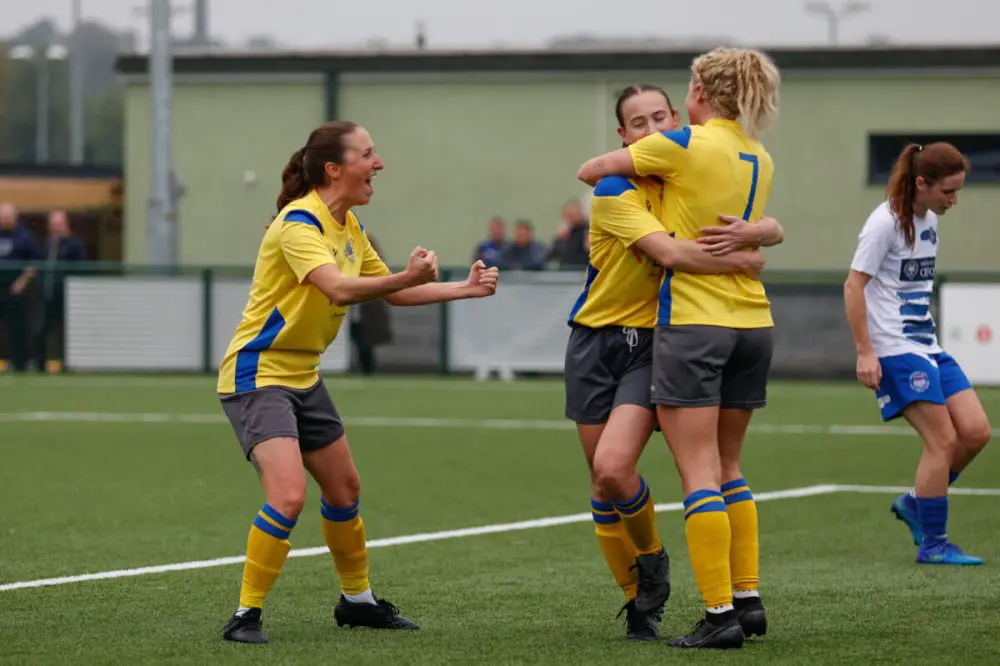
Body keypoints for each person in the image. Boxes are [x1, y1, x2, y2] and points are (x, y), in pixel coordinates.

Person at [216, 120, 500, 644]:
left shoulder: (348, 226)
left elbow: (388, 293)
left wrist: (464, 288)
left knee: (345, 490)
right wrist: (409, 276)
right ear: (334, 169)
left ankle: (357, 602)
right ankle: (245, 615)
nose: (379, 164)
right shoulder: (300, 222)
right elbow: (340, 289)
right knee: (288, 497)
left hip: (303, 374)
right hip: (259, 374)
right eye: (368, 154)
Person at [577, 46, 785, 650]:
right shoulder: (758, 153)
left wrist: (638, 156)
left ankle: (718, 614)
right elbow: (763, 224)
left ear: (696, 95)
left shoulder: (686, 145)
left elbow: (592, 169)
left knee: (698, 474)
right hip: (754, 321)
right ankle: (747, 600)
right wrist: (758, 240)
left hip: (696, 322)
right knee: (729, 468)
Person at [844, 142, 990, 566]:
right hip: (893, 348)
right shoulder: (884, 223)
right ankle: (934, 543)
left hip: (927, 344)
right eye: (948, 191)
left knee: (977, 432)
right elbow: (853, 286)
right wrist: (865, 352)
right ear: (921, 183)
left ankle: (915, 502)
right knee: (942, 441)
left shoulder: (928, 219)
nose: (955, 200)